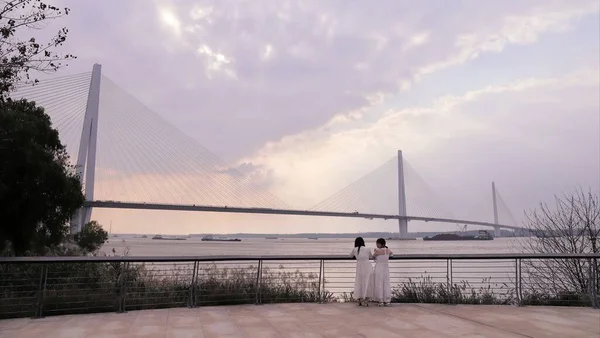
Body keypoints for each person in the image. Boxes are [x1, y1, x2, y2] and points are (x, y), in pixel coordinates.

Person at [350, 237, 373, 306]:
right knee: (367, 282)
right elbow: (371, 256)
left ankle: (360, 299)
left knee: (359, 282)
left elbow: (350, 256)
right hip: (367, 266)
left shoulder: (355, 249)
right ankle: (366, 299)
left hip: (359, 267)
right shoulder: (368, 249)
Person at [371, 238, 393, 306]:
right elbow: (391, 254)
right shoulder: (388, 250)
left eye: (378, 243)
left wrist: (375, 251)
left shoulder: (377, 251)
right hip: (386, 268)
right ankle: (387, 300)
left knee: (379, 283)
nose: (377, 245)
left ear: (381, 244)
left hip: (379, 267)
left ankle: (380, 300)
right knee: (386, 283)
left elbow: (373, 257)